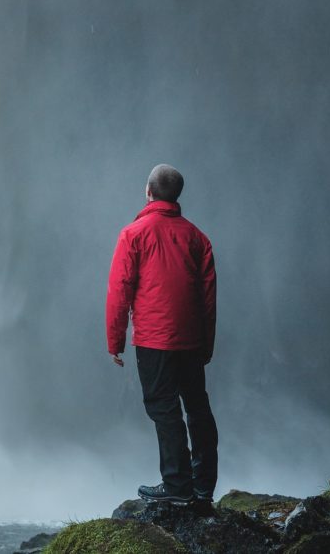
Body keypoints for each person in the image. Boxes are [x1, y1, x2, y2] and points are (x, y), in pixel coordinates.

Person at [106, 164, 218, 505]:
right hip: (190, 339)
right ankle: (203, 486)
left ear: (148, 192)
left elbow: (119, 291)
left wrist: (115, 341)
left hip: (154, 340)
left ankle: (177, 486)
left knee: (163, 408)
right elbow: (208, 298)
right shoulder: (198, 238)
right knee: (197, 406)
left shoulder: (133, 234)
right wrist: (206, 345)